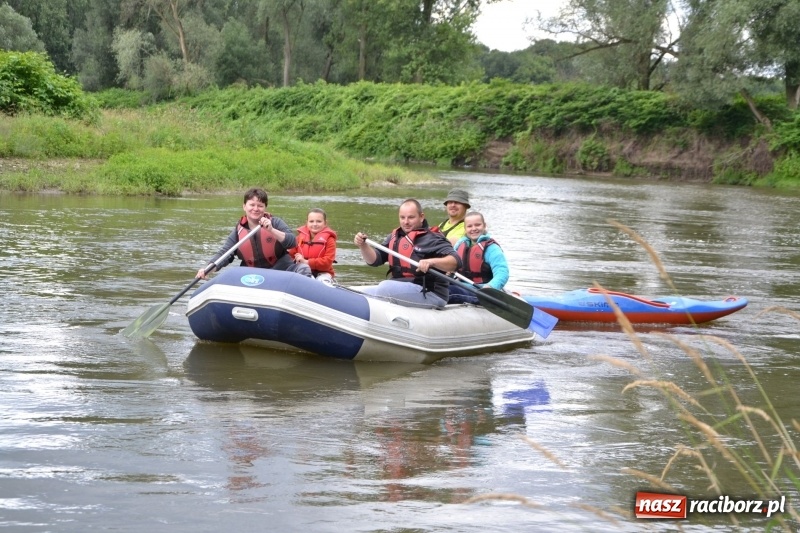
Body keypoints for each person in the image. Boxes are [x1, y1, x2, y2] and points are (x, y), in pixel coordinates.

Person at [354, 199, 461, 309]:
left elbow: (456, 261)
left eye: (411, 217)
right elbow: (374, 260)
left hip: (430, 293)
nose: (406, 222)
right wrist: (363, 246)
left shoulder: (434, 238)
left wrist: (431, 262)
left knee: (384, 288)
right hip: (400, 287)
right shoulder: (394, 237)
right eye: (402, 217)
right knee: (357, 294)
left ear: (421, 217)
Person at [196, 187, 311, 279]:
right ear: (244, 206)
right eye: (252, 205)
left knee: (304, 269)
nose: (255, 209)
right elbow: (225, 254)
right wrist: (207, 269)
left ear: (265, 207)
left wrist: (271, 230)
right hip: (253, 277)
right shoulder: (238, 231)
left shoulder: (275, 223)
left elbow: (292, 242)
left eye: (260, 206)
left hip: (281, 270)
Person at [447, 211, 510, 305]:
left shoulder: (492, 248)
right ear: (465, 228)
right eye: (469, 226)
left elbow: (502, 272)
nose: (474, 229)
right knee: (437, 286)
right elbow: (452, 265)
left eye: (478, 225)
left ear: (484, 225)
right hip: (460, 284)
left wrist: (490, 287)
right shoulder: (460, 244)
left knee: (447, 291)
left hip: (481, 291)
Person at [288, 207, 337, 285]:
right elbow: (290, 257)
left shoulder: (330, 240)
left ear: (325, 223)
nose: (315, 224)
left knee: (322, 283)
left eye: (319, 221)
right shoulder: (299, 238)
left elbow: (327, 262)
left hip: (323, 273)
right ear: (307, 223)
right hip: (303, 271)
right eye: (311, 221)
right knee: (304, 279)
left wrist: (306, 262)